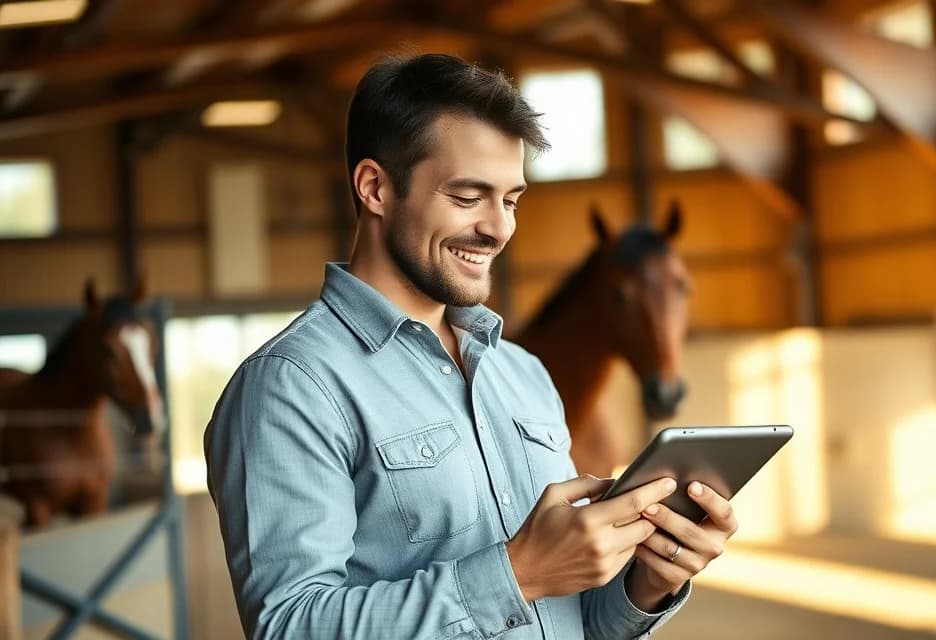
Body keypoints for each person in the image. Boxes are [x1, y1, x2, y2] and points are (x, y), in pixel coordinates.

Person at [204, 53, 739, 639]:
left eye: (510, 200)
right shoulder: (291, 386)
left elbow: (569, 623)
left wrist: (648, 583)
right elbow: (288, 628)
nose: (499, 228)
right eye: (467, 197)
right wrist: (517, 574)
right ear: (375, 187)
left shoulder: (523, 374)